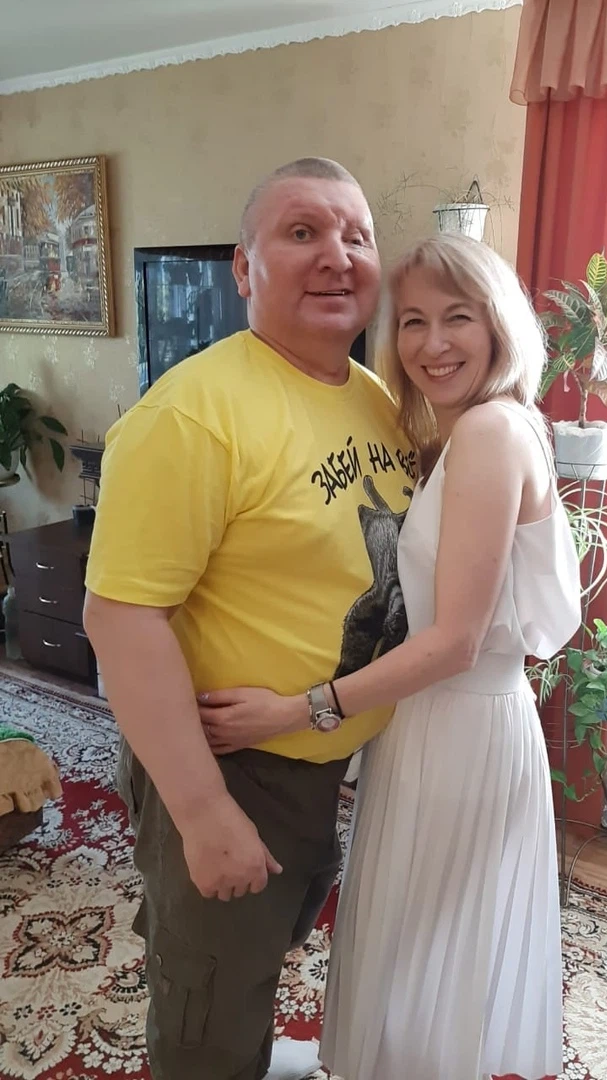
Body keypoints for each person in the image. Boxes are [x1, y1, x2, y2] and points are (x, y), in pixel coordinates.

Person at [198, 233, 583, 1080]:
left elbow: (454, 641)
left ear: (498, 324)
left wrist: (298, 708)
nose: (432, 343)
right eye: (412, 321)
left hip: (458, 727)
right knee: (420, 937)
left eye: (457, 318)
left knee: (426, 938)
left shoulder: (488, 432)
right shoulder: (479, 428)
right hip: (446, 723)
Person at [83, 157, 415, 1080]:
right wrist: (202, 813)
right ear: (243, 266)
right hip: (233, 768)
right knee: (207, 1009)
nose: (337, 256)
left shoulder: (373, 396)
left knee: (258, 954)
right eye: (302, 232)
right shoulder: (192, 415)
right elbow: (121, 620)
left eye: (356, 235)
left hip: (320, 757)